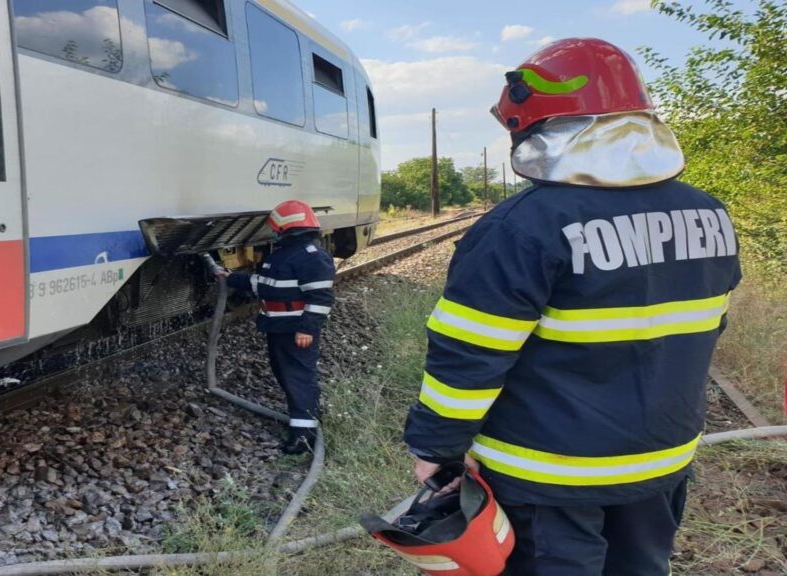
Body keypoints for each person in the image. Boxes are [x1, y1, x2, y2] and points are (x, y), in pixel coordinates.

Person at [402, 38, 742, 575]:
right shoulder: (709, 214)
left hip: (549, 477)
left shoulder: (521, 228)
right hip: (661, 463)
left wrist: (436, 449)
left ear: (538, 127)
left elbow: (469, 355)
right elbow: (702, 330)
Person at [219, 200, 335, 454]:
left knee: (298, 378)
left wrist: (307, 328)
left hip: (295, 330)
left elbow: (321, 298)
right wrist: (232, 278)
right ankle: (306, 421)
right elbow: (265, 284)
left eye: (275, 228)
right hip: (279, 327)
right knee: (287, 374)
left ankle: (302, 438)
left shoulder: (311, 256)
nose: (273, 232)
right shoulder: (286, 253)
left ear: (285, 228)